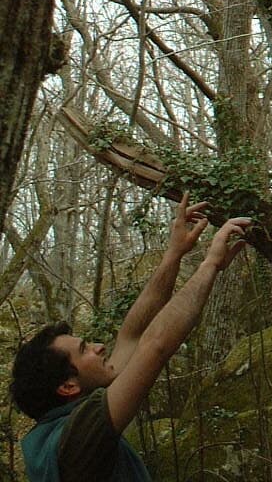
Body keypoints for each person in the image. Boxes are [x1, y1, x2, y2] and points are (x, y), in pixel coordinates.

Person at [10, 197, 251, 482]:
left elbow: (133, 334)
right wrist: (210, 263)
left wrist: (174, 253)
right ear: (67, 385)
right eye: (84, 349)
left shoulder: (56, 433)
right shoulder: (78, 436)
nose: (100, 347)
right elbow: (155, 345)